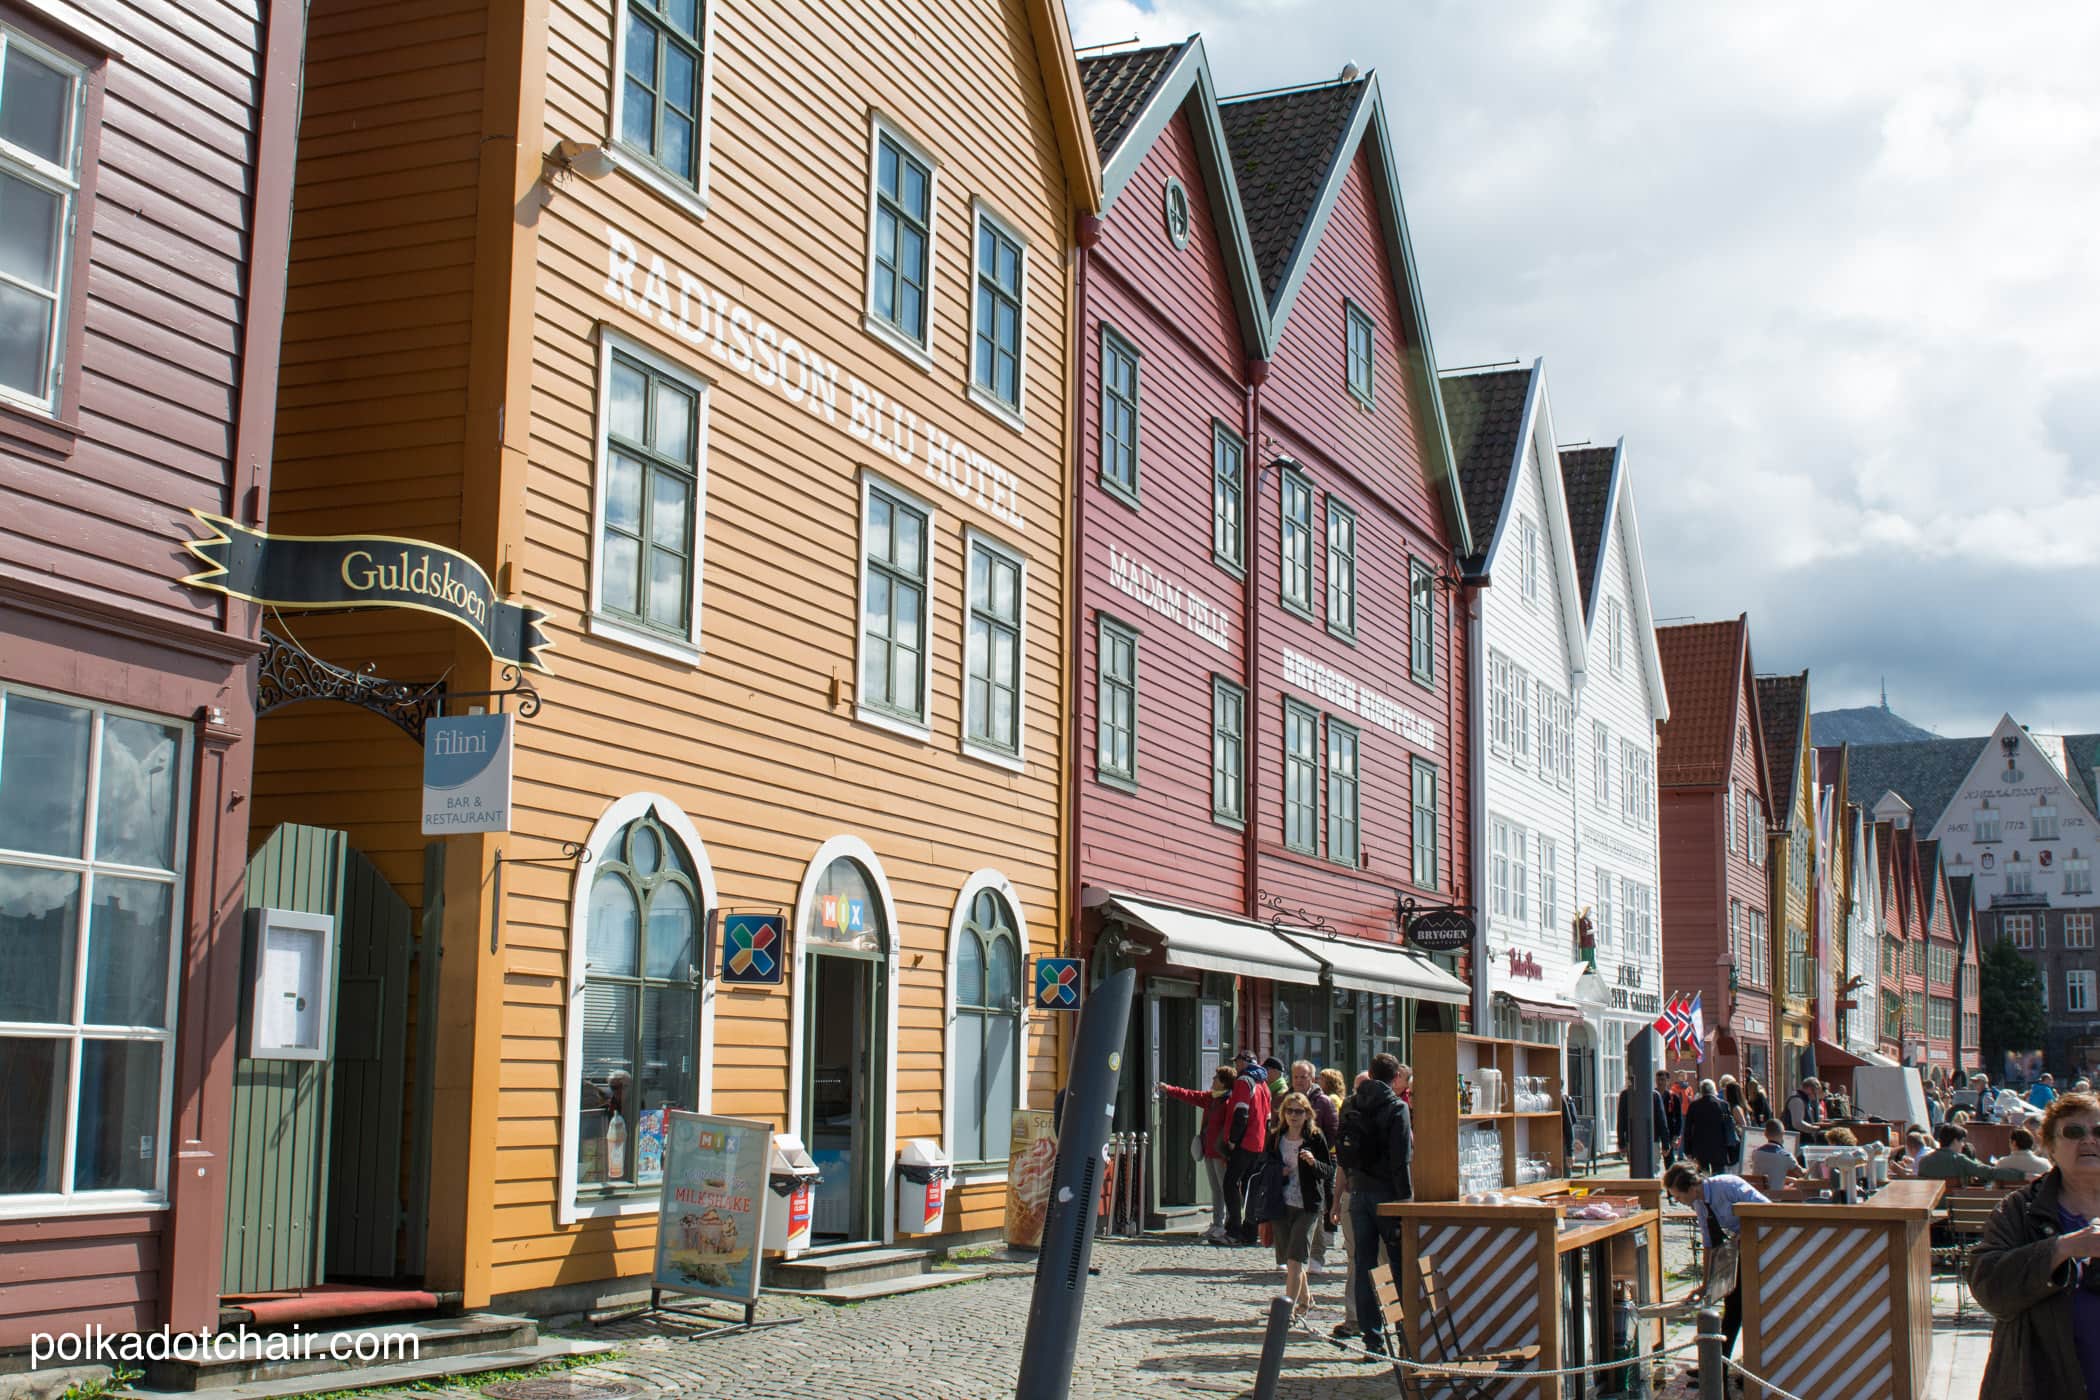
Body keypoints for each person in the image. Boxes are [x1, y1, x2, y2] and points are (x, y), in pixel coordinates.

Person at [1972, 1091, 2100, 1397]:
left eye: (2099, 1131)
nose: (2089, 1141)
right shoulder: (2020, 1210)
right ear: (2050, 1147)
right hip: (2043, 1381)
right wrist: (2062, 1249)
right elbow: (1988, 1287)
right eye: (2073, 1132)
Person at [1337, 1054, 1413, 1359]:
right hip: (1388, 1194)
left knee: (1364, 1267)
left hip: (1359, 1192)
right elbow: (1401, 1159)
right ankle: (1406, 1336)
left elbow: (1343, 1151)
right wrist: (1406, 1200)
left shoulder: (1351, 1104)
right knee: (1398, 1267)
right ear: (1395, 1078)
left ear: (1369, 1074)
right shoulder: (1397, 1108)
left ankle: (1372, 1340)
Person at [1664, 1163, 1768, 1363]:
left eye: (1678, 1196)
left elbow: (1766, 1211)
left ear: (1692, 1187)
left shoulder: (1727, 1186)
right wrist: (1706, 1284)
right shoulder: (1699, 1203)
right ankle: (1717, 1365)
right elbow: (1709, 1245)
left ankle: (1727, 1365)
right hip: (1738, 1253)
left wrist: (1744, 1232)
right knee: (1731, 1307)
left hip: (1760, 1248)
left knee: (1738, 1308)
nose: (1677, 1201)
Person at [1261, 1091, 1335, 1326]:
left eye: (1299, 1111)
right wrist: (1276, 1170)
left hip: (1308, 1205)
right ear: (1283, 1113)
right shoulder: (1275, 1137)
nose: (1294, 1115)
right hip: (1281, 1204)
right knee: (1291, 1258)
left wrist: (1314, 1163)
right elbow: (1264, 1164)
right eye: (1290, 1110)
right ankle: (1306, 1299)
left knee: (1295, 1260)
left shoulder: (1315, 1137)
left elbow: (1329, 1171)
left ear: (1307, 1114)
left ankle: (1287, 1312)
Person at [1159, 1066, 1238, 1244]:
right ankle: (1217, 1223)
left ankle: (1227, 1225)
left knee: (1224, 1189)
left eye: (1216, 1078)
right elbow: (1190, 1095)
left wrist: (1228, 1151)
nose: (1212, 1080)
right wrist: (1169, 1089)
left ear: (1224, 1082)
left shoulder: (1229, 1102)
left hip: (1221, 1153)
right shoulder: (1211, 1099)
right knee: (1216, 1190)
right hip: (1209, 1151)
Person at [1330, 1070, 1368, 1340]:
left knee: (1376, 1261)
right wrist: (1336, 1200)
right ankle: (1355, 1318)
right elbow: (1343, 1164)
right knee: (1356, 1260)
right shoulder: (1350, 1121)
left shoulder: (1393, 1113)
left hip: (1377, 1197)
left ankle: (1376, 1317)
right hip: (1355, 1195)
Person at [1290, 1060, 1339, 1268]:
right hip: (1291, 1161)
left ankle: (1316, 1256)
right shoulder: (1288, 1099)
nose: (1300, 1081)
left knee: (1317, 1209)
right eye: (1296, 1077)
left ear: (1312, 1078)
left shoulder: (1323, 1101)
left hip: (1317, 1163)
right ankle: (1293, 1254)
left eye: (1303, 1077)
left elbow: (1334, 1131)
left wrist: (1320, 1153)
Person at [1221, 1053, 1273, 1245]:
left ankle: (1234, 1230)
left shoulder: (1244, 1081)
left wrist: (1234, 1139)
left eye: (1237, 1062)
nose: (1236, 1065)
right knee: (1250, 1186)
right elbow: (1268, 1118)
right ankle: (1250, 1230)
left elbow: (1241, 1112)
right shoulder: (1263, 1084)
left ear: (1243, 1062)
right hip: (1258, 1142)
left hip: (1245, 1142)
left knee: (1231, 1183)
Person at [1919, 1122, 2029, 1184]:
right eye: (1962, 1141)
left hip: (1931, 1210)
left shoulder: (1924, 1162)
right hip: (1955, 1211)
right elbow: (1989, 1172)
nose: (1963, 1145)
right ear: (1955, 1141)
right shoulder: (1959, 1160)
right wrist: (2022, 1175)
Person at [1682, 1079, 1739, 1175]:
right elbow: (1729, 1127)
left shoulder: (1694, 1106)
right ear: (1714, 1090)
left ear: (1701, 1091)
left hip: (1700, 1149)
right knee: (1720, 1176)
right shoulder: (1723, 1105)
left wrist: (1688, 1150)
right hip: (1719, 1148)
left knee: (1703, 1176)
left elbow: (1687, 1129)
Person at [1618, 1072, 1669, 1163]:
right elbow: (1662, 1121)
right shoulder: (1654, 1095)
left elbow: (1621, 1121)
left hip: (1632, 1138)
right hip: (1652, 1138)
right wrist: (1665, 1143)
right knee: (1653, 1170)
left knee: (1636, 1170)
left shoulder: (1625, 1095)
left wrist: (1621, 1142)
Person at [1745, 1120, 1805, 1195]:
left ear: (1765, 1134)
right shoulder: (1786, 1156)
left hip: (1758, 1196)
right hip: (1776, 1198)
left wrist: (1789, 1179)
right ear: (1783, 1134)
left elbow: (1767, 1178)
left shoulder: (1755, 1153)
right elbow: (1802, 1174)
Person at [1783, 1076, 1826, 1142]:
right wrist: (1815, 1129)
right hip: (1797, 1142)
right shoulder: (1797, 1100)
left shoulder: (1804, 1100)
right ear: (1809, 1089)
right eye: (1815, 1093)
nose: (1815, 1097)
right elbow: (1797, 1124)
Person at [1659, 1071, 1686, 1163]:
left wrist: (1677, 1135)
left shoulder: (1673, 1097)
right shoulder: (1653, 1095)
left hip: (1669, 1132)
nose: (1660, 1082)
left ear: (1668, 1081)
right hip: (1656, 1132)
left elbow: (1678, 1117)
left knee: (1669, 1161)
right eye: (1658, 1080)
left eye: (1663, 1080)